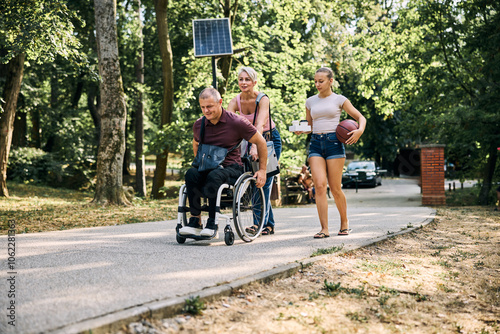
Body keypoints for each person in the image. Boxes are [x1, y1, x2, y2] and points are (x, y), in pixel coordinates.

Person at [179, 88, 268, 237]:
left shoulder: (237, 122)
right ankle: (195, 221)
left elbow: (261, 142)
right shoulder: (199, 124)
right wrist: (201, 163)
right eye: (203, 107)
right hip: (209, 167)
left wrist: (263, 170)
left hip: (232, 168)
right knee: (192, 173)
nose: (206, 111)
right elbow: (195, 143)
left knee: (214, 176)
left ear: (220, 103)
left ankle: (212, 222)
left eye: (209, 106)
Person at [295, 67, 366, 238]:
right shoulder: (310, 101)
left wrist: (359, 131)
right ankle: (324, 228)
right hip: (316, 144)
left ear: (330, 81)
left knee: (335, 188)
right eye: (315, 81)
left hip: (334, 144)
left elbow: (361, 117)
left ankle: (344, 223)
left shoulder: (340, 100)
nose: (317, 84)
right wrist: (301, 130)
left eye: (321, 81)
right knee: (319, 186)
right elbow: (310, 125)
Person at [226, 67, 282, 236]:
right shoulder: (235, 101)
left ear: (254, 82)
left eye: (247, 79)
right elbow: (228, 125)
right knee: (257, 181)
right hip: (248, 141)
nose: (243, 82)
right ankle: (268, 224)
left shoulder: (262, 99)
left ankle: (258, 224)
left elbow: (259, 124)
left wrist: (256, 145)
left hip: (268, 139)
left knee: (262, 179)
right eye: (241, 79)